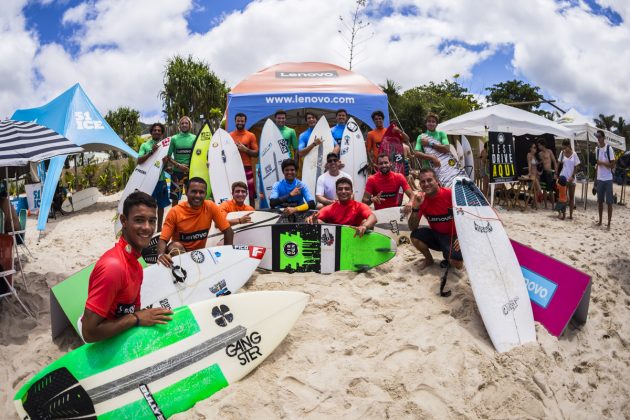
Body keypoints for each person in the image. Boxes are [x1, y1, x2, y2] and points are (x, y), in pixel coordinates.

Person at [81, 192, 173, 343]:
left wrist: (139, 316)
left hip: (122, 340)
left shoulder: (136, 265)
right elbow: (89, 332)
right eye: (139, 220)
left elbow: (132, 310)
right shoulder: (114, 267)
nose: (147, 228)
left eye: (152, 221)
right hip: (105, 350)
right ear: (123, 220)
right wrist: (136, 318)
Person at [157, 177, 233, 267]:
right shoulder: (175, 212)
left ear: (205, 194)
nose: (197, 195)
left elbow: (229, 231)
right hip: (180, 255)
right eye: (194, 191)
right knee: (175, 246)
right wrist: (160, 255)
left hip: (199, 255)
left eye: (201, 192)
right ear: (186, 191)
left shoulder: (210, 206)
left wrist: (227, 255)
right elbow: (163, 239)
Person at [408, 168, 463, 270]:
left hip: (454, 237)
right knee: (415, 236)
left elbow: (469, 217)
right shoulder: (421, 200)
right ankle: (429, 259)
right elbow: (412, 227)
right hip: (437, 236)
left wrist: (462, 237)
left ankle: (449, 254)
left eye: (429, 180)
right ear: (420, 184)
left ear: (437, 181)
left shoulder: (450, 194)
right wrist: (415, 208)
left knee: (458, 265)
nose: (426, 184)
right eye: (423, 181)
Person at [306, 177, 376, 237]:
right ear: (336, 192)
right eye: (340, 189)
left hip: (356, 238)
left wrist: (364, 226)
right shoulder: (330, 208)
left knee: (367, 222)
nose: (343, 191)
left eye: (347, 189)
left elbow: (373, 218)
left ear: (351, 192)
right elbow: (313, 218)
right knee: (318, 221)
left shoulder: (359, 206)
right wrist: (312, 219)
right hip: (334, 239)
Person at [414, 112, 463, 187]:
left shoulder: (441, 134)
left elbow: (446, 149)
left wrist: (429, 143)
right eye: (429, 121)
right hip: (429, 170)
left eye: (433, 121)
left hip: (444, 169)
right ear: (426, 123)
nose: (431, 123)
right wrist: (432, 158)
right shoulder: (421, 137)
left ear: (436, 124)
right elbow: (417, 153)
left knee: (445, 189)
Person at [137, 123, 170, 231]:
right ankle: (148, 228)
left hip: (161, 181)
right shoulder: (145, 145)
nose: (157, 132)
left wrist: (165, 163)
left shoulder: (165, 147)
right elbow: (139, 161)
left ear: (161, 133)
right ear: (151, 132)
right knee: (148, 206)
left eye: (159, 130)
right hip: (148, 181)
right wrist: (151, 152)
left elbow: (164, 167)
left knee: (161, 206)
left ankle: (159, 229)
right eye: (155, 130)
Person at [230, 113, 258, 207]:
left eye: (242, 121)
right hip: (233, 168)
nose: (240, 123)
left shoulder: (250, 135)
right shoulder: (229, 136)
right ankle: (234, 210)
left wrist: (245, 150)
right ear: (235, 121)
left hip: (247, 167)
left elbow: (256, 153)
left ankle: (252, 212)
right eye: (238, 121)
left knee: (250, 193)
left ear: (245, 122)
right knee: (234, 192)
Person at [167, 116, 195, 207]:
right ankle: (174, 219)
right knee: (175, 198)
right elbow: (168, 156)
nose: (184, 125)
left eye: (186, 123)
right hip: (177, 173)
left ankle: (191, 216)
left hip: (190, 172)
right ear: (179, 125)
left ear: (190, 125)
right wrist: (179, 166)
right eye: (182, 123)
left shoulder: (194, 138)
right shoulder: (174, 138)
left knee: (192, 196)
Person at [594, 130, 616, 228]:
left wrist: (602, 163)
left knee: (609, 202)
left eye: (599, 136)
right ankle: (600, 221)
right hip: (599, 179)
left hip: (608, 179)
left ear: (603, 137)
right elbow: (597, 166)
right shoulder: (597, 150)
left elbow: (612, 165)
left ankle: (609, 223)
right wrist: (595, 181)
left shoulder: (609, 148)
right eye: (597, 136)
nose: (598, 138)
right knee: (600, 202)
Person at [557, 139, 581, 219]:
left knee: (571, 197)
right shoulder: (562, 153)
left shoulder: (574, 154)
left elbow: (576, 166)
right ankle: (562, 214)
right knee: (562, 197)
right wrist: (555, 174)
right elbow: (558, 164)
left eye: (564, 146)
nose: (563, 148)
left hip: (571, 179)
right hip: (563, 177)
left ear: (568, 146)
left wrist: (573, 176)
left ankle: (570, 215)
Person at [537, 139, 558, 209]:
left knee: (551, 190)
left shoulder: (549, 151)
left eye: (539, 145)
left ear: (543, 145)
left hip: (549, 172)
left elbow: (555, 162)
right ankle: (545, 206)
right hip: (543, 172)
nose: (539, 147)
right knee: (544, 189)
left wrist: (555, 173)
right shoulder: (540, 154)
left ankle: (553, 206)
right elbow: (539, 165)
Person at [526, 142, 542, 210]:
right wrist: (529, 172)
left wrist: (539, 172)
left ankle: (534, 204)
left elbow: (535, 166)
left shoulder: (535, 156)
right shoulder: (529, 155)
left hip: (536, 175)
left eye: (535, 147)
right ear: (530, 148)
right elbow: (529, 165)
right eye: (534, 147)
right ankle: (536, 205)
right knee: (539, 189)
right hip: (532, 175)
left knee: (536, 191)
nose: (535, 148)